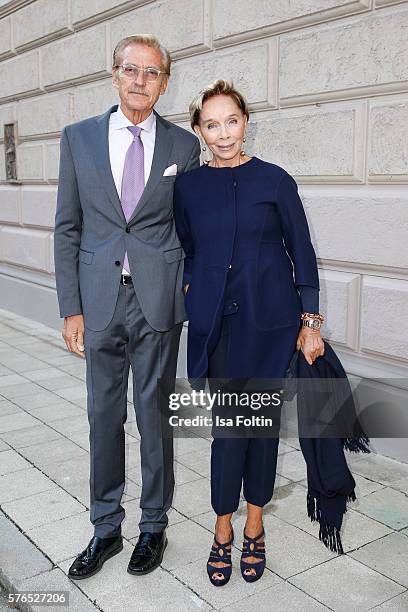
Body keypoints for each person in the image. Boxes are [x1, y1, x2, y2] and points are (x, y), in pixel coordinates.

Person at [54, 34, 200, 580]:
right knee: (102, 416)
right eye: (131, 70)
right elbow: (67, 227)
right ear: (113, 74)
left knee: (154, 417)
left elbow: (191, 229)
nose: (141, 80)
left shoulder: (184, 148)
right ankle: (106, 527)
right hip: (98, 302)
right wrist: (72, 307)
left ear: (165, 81)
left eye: (153, 72)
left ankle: (154, 526)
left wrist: (187, 286)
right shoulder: (78, 139)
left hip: (158, 302)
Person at [173, 80, 325, 586]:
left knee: (260, 430)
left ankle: (255, 525)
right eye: (211, 124)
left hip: (271, 323)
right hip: (217, 325)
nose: (223, 133)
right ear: (198, 130)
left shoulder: (275, 181)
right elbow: (191, 248)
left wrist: (310, 321)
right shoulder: (188, 187)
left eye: (231, 121)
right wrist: (196, 291)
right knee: (226, 430)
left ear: (245, 122)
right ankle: (222, 527)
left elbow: (302, 252)